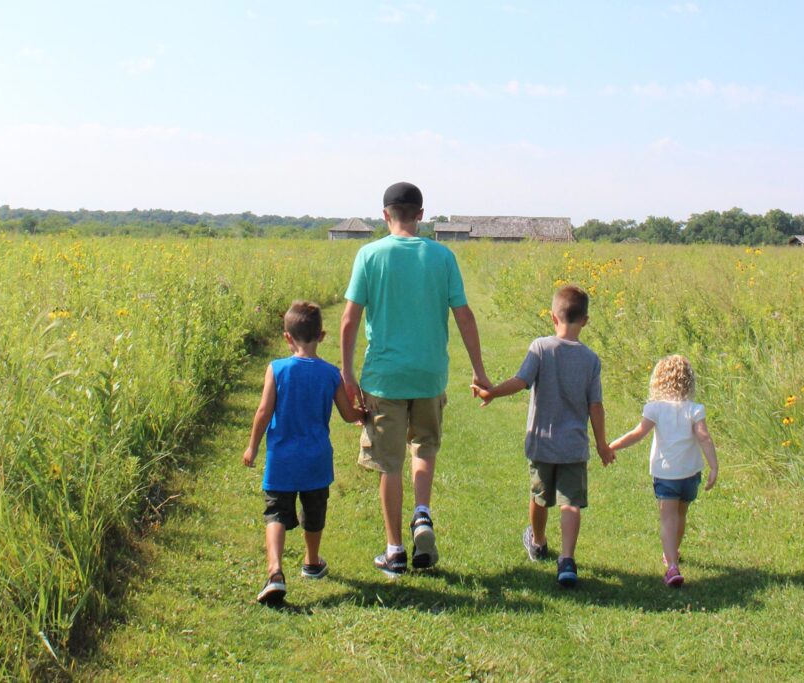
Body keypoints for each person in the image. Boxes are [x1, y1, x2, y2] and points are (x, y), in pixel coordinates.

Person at [340, 181, 490, 577]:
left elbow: (349, 319)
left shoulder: (369, 255)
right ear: (421, 215)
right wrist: (478, 369)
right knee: (423, 447)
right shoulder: (442, 257)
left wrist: (347, 373)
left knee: (389, 464)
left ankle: (394, 550)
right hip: (429, 374)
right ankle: (422, 514)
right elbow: (464, 316)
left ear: (384, 213)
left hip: (384, 376)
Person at [471, 285, 613, 587]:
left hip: (541, 443)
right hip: (574, 446)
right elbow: (596, 405)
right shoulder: (591, 359)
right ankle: (567, 559)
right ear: (585, 321)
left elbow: (521, 381)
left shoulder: (540, 347)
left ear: (553, 317)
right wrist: (601, 444)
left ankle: (537, 541)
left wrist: (493, 392)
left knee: (539, 496)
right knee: (570, 502)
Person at [243, 300, 365, 605]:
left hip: (281, 460)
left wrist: (252, 446)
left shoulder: (277, 369)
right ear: (322, 336)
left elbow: (262, 411)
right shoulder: (330, 374)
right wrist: (363, 414)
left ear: (287, 337)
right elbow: (347, 414)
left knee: (276, 513)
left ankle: (275, 571)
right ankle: (311, 562)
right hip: (316, 461)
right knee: (314, 513)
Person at [609, 354, 718, 588]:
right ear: (689, 382)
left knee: (667, 518)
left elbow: (637, 434)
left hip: (666, 474)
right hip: (690, 474)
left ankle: (671, 566)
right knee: (681, 515)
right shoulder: (695, 409)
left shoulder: (655, 408)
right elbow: (704, 437)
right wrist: (714, 466)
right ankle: (673, 553)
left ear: (658, 380)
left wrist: (612, 445)